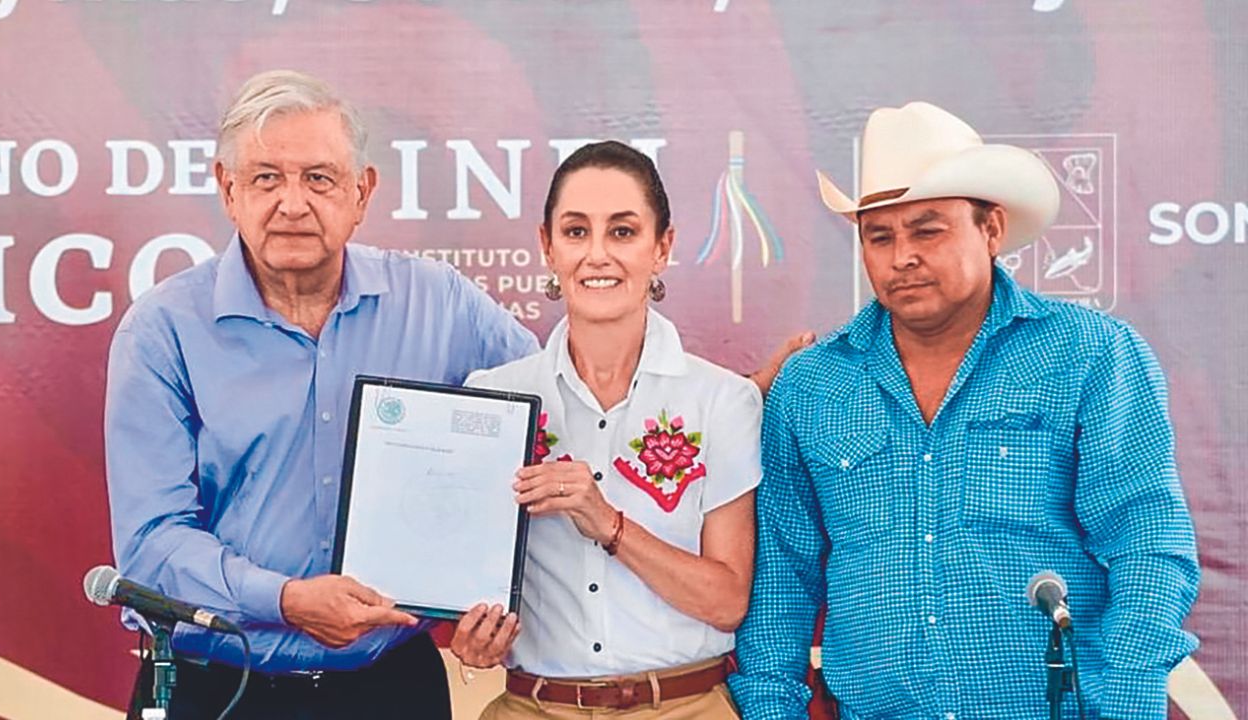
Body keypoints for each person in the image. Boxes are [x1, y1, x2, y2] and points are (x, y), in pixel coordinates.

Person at [730, 102, 1199, 719]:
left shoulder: (1090, 355)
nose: (901, 257)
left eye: (927, 230)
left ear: (992, 229)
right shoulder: (811, 385)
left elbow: (1148, 546)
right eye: (879, 236)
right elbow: (782, 584)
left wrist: (1127, 707)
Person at [104, 69, 540, 719]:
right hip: (219, 685)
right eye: (265, 178)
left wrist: (485, 594)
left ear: (362, 193)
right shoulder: (162, 332)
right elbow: (151, 546)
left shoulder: (439, 306)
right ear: (227, 190)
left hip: (390, 686)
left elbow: (560, 415)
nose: (292, 202)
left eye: (319, 178)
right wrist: (285, 600)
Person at [450, 140, 767, 719]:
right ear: (547, 246)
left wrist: (608, 524)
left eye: (622, 232)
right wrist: (471, 638)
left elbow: (726, 601)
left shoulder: (722, 400)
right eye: (575, 232)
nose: (597, 255)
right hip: (532, 707)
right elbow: (465, 585)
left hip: (684, 706)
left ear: (662, 246)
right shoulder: (493, 398)